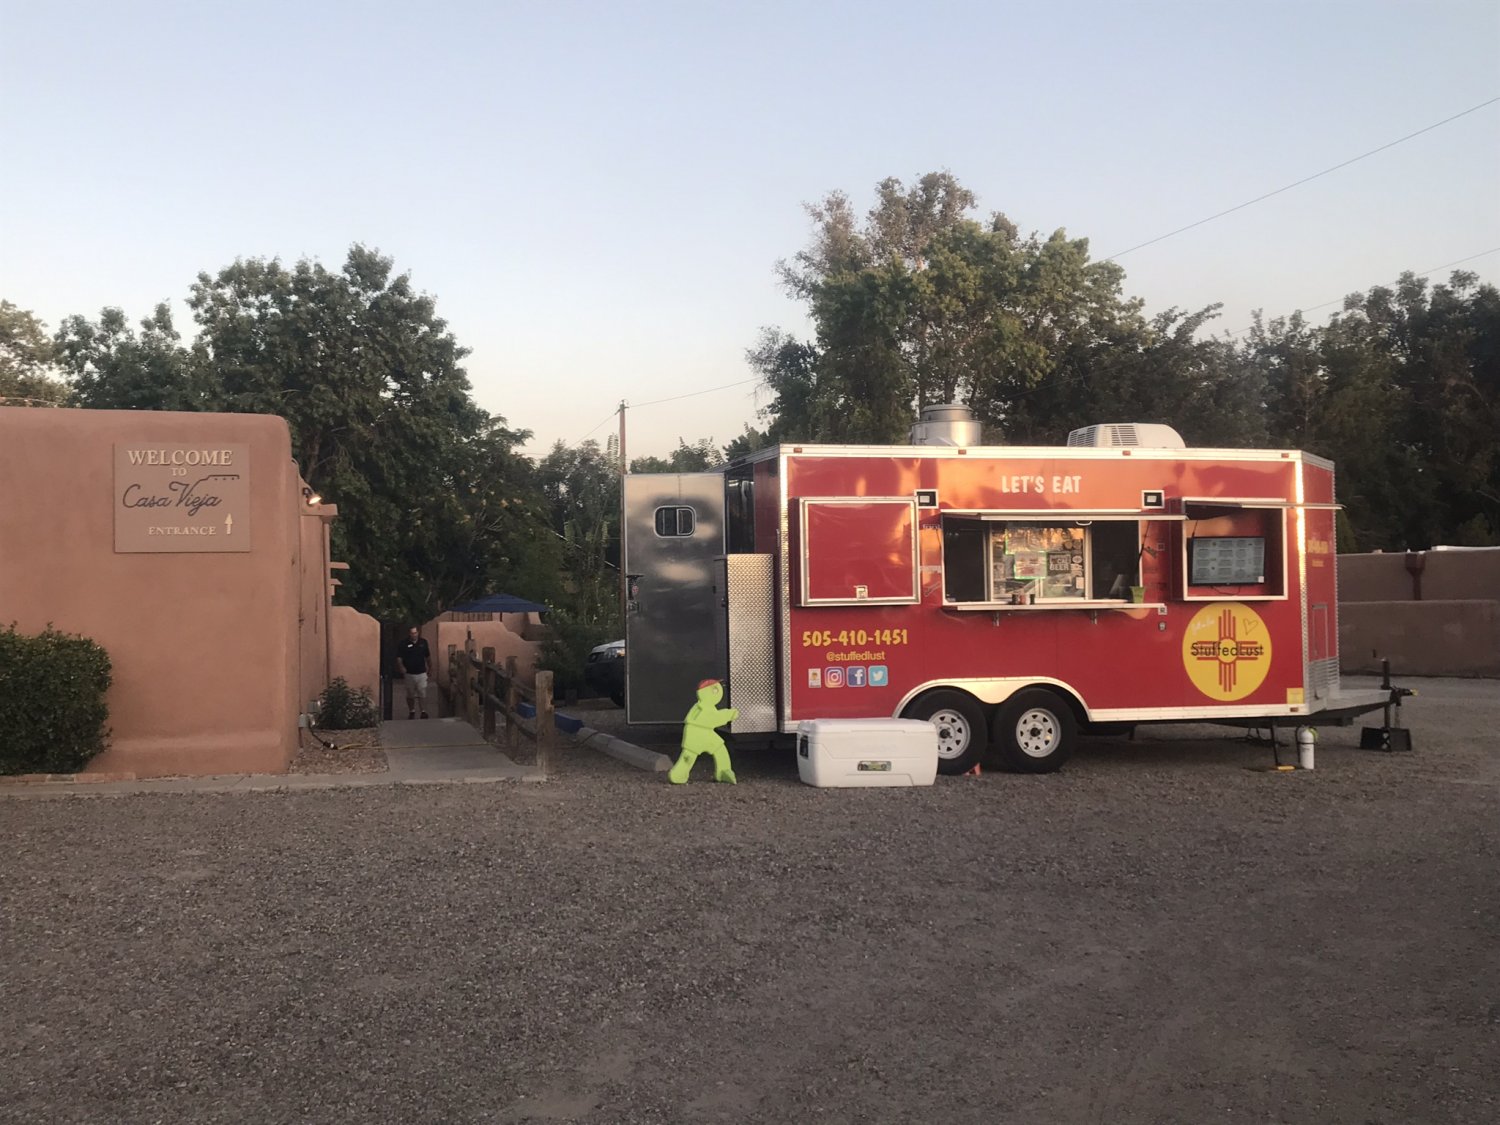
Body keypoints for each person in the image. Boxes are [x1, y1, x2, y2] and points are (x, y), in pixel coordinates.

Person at [396, 626, 431, 719]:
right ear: (409, 634)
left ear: (418, 633)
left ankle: (423, 711)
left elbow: (427, 657)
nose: (414, 635)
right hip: (409, 673)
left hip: (421, 672)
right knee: (410, 694)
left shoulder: (423, 642)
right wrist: (401, 667)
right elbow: (399, 658)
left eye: (415, 633)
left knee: (422, 692)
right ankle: (412, 710)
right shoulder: (403, 644)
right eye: (412, 633)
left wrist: (430, 668)